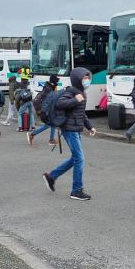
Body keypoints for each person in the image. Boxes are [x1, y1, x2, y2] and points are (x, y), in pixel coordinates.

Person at [42, 67, 96, 201]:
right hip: (69, 129)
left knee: (75, 158)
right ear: (77, 79)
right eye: (85, 78)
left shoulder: (81, 92)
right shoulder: (72, 92)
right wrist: (75, 100)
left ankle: (51, 176)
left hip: (75, 128)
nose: (87, 80)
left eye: (88, 78)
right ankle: (76, 190)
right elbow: (60, 104)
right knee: (79, 159)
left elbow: (81, 113)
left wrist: (90, 126)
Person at [28, 74, 59, 146]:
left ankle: (50, 139)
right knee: (48, 125)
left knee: (51, 124)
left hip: (45, 109)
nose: (57, 83)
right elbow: (48, 100)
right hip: (45, 109)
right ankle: (33, 134)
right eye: (56, 81)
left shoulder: (48, 87)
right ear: (53, 82)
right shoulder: (49, 89)